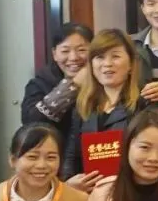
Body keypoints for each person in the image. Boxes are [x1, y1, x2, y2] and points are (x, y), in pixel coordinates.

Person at [62, 29, 151, 191]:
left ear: (131, 64)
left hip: (132, 192)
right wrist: (69, 183)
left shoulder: (145, 103)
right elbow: (71, 154)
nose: (107, 64)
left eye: (115, 56)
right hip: (90, 194)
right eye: (99, 57)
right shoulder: (84, 105)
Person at [21, 22, 93, 143]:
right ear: (54, 54)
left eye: (81, 50)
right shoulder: (40, 83)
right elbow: (31, 123)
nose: (73, 57)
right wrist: (72, 86)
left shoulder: (103, 82)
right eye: (65, 51)